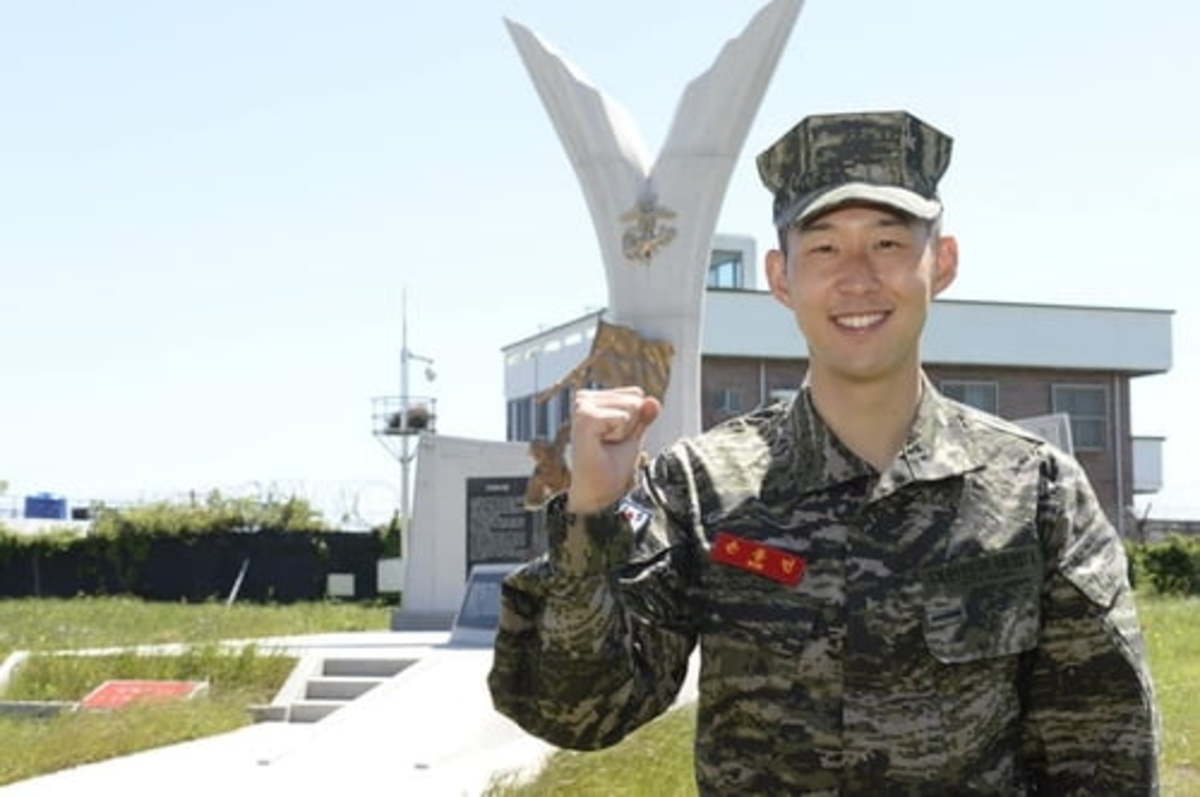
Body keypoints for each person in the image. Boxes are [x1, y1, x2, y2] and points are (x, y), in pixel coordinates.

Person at [488, 111, 1159, 794]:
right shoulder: (702, 490)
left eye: (890, 243)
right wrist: (591, 516)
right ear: (781, 277)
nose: (859, 279)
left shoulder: (1035, 489)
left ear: (943, 263)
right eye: (826, 249)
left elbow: (1105, 747)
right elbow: (577, 710)